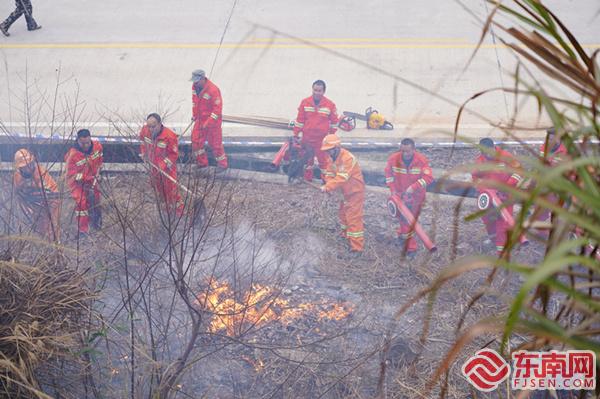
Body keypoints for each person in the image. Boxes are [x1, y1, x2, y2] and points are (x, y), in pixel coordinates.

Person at [471, 138, 523, 255]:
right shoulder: (480, 161)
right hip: (488, 195)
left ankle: (502, 250)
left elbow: (518, 171)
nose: (487, 154)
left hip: (506, 195)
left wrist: (507, 185)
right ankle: (494, 240)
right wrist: (484, 190)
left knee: (502, 221)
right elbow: (475, 177)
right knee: (487, 218)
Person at [384, 138, 433, 257]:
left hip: (417, 197)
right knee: (405, 220)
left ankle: (407, 241)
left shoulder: (421, 160)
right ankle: (409, 244)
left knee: (410, 220)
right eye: (403, 151)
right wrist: (393, 190)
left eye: (408, 151)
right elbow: (388, 175)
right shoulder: (393, 159)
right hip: (400, 195)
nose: (405, 154)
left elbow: (429, 178)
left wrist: (413, 187)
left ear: (414, 150)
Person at [320, 134, 365, 253]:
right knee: (343, 215)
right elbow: (329, 173)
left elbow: (342, 177)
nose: (327, 153)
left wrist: (328, 187)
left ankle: (357, 249)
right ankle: (346, 236)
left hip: (354, 192)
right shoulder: (331, 158)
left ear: (336, 147)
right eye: (326, 151)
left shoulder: (347, 158)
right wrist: (329, 185)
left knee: (353, 219)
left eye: (329, 150)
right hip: (343, 191)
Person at [293, 80, 339, 181]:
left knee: (324, 162)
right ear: (312, 89)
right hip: (307, 138)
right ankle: (306, 180)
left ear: (324, 91)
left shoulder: (330, 105)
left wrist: (330, 136)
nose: (317, 93)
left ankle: (326, 182)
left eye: (319, 90)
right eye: (315, 90)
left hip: (321, 140)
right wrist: (295, 134)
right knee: (307, 161)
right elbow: (300, 120)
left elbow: (335, 122)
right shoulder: (305, 102)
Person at [139, 113, 184, 216]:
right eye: (149, 126)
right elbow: (142, 142)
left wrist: (163, 165)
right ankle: (166, 213)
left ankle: (179, 215)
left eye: (153, 126)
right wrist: (144, 153)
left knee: (172, 193)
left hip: (167, 170)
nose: (150, 129)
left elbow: (173, 155)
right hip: (154, 168)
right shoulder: (145, 131)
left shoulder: (169, 136)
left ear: (159, 124)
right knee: (159, 191)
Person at [13, 149, 59, 241]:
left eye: (29, 164)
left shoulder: (40, 172)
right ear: (20, 168)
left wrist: (40, 202)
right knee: (39, 226)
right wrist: (28, 209)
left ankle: (55, 243)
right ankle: (42, 243)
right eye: (25, 166)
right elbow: (18, 195)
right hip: (33, 202)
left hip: (50, 200)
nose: (28, 168)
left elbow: (50, 192)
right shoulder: (17, 177)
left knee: (50, 224)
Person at [64, 129, 103, 236]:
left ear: (90, 139)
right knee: (82, 203)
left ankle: (97, 223)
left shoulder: (97, 146)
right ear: (78, 141)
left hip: (92, 179)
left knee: (96, 199)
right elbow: (71, 175)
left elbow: (99, 161)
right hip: (77, 183)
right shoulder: (72, 156)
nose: (86, 146)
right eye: (83, 143)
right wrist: (88, 178)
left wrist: (97, 174)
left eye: (87, 143)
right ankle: (83, 230)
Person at [190, 69, 228, 169]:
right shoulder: (195, 87)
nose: (195, 83)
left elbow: (217, 110)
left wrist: (208, 122)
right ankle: (202, 163)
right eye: (194, 81)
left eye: (197, 81)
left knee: (215, 144)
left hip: (213, 122)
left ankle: (222, 165)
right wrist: (194, 115)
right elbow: (195, 102)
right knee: (196, 141)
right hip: (200, 120)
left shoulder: (213, 90)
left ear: (203, 79)